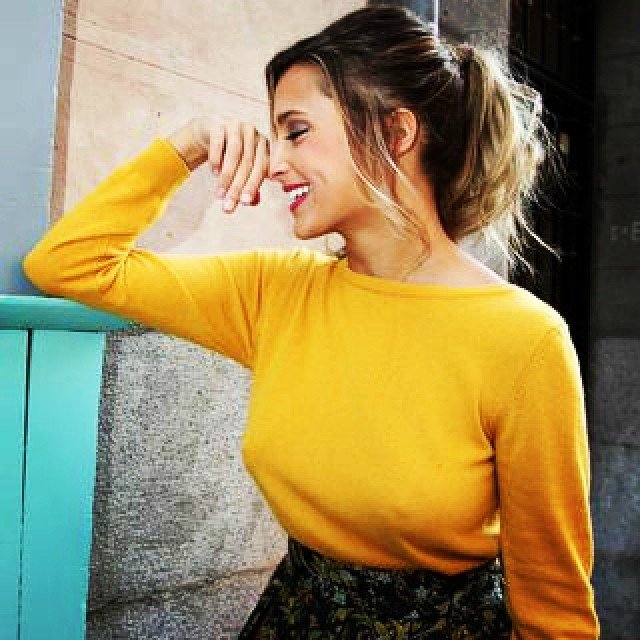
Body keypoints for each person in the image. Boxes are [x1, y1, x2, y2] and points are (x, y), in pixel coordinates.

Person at [22, 5, 599, 639]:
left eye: (296, 132)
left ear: (396, 133)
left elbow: (554, 607)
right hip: (292, 618)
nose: (274, 163)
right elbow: (68, 263)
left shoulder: (523, 340)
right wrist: (187, 145)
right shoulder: (274, 291)